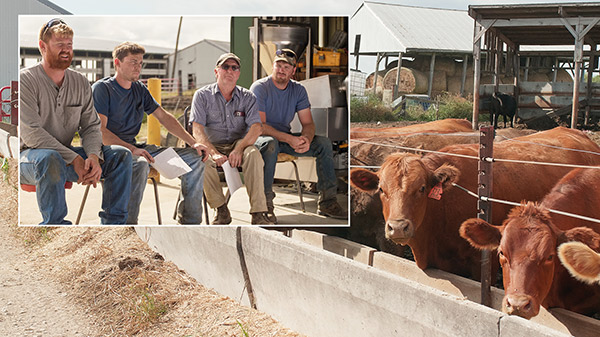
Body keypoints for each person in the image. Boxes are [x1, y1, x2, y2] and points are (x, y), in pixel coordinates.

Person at [20, 19, 132, 225]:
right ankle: (55, 225)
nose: (66, 50)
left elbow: (90, 126)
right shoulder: (26, 80)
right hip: (29, 159)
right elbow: (31, 133)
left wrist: (92, 157)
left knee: (120, 155)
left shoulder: (80, 82)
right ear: (42, 47)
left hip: (65, 156)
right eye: (59, 44)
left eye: (69, 44)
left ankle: (114, 224)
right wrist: (74, 158)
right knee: (49, 158)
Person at [92, 42, 208, 224]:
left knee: (195, 158)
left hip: (136, 147)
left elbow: (164, 117)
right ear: (117, 63)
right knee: (140, 164)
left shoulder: (140, 89)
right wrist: (131, 149)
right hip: (109, 151)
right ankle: (128, 226)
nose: (138, 67)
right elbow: (100, 132)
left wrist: (194, 142)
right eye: (132, 62)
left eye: (140, 62)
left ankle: (189, 222)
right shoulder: (102, 89)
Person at [251, 49, 347, 222]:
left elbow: (308, 123)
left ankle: (328, 202)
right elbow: (260, 126)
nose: (281, 69)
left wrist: (306, 139)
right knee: (270, 143)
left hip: (284, 139)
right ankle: (265, 205)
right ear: (272, 66)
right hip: (260, 139)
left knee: (324, 143)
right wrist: (290, 139)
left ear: (293, 71)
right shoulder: (260, 88)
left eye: (286, 67)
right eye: (278, 65)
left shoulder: (298, 90)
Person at [190, 53, 274, 225]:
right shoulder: (202, 95)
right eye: (225, 67)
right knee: (201, 160)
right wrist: (212, 153)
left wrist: (239, 149)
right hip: (212, 143)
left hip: (239, 143)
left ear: (238, 73)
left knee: (254, 155)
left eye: (234, 67)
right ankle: (221, 210)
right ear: (216, 71)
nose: (230, 70)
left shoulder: (248, 97)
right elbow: (197, 129)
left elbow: (256, 127)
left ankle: (258, 213)